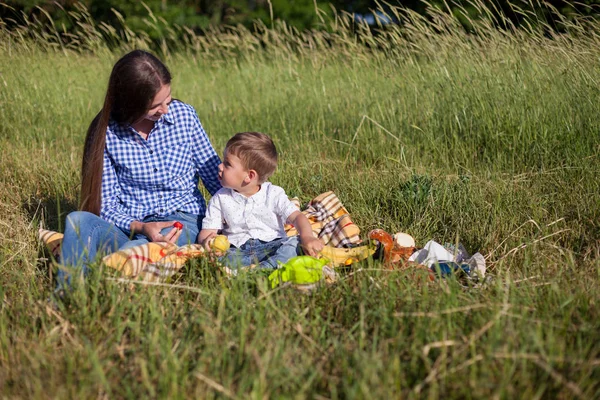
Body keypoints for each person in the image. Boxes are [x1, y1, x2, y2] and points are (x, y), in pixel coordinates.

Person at [57, 50, 221, 287]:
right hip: (130, 226)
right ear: (131, 105)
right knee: (77, 221)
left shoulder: (185, 116)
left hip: (180, 222)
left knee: (138, 249)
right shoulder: (107, 133)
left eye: (168, 99)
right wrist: (141, 226)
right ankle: (67, 296)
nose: (166, 109)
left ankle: (107, 278)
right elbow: (106, 206)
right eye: (156, 105)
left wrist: (261, 201)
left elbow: (215, 176)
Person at [197, 132, 323, 270]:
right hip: (237, 252)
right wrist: (208, 241)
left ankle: (257, 270)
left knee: (295, 243)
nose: (220, 166)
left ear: (249, 176)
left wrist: (307, 237)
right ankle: (267, 269)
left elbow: (297, 217)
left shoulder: (273, 193)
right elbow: (207, 231)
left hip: (271, 247)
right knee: (214, 258)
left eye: (227, 164)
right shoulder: (219, 198)